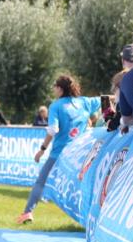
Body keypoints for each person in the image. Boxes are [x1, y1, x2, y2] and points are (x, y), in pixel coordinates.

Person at [17, 75, 100, 224]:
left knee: (41, 182)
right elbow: (106, 99)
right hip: (80, 155)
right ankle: (93, 220)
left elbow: (53, 129)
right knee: (87, 185)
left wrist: (42, 149)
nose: (53, 89)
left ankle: (27, 212)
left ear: (60, 89)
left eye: (55, 86)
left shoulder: (56, 106)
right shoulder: (84, 102)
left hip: (59, 154)